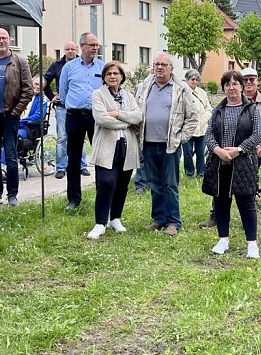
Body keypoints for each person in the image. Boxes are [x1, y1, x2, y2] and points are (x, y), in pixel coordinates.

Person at [199, 66, 261, 228]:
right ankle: (216, 216)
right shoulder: (221, 107)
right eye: (246, 79)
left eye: (252, 80)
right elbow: (210, 132)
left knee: (246, 190)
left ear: (256, 81)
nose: (249, 82)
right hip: (222, 155)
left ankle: (248, 221)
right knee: (220, 188)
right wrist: (217, 150)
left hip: (250, 154)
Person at [203, 70, 261, 258]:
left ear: (241, 86)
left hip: (243, 163)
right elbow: (208, 135)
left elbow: (258, 134)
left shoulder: (252, 109)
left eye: (235, 84)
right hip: (220, 163)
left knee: (246, 203)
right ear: (223, 88)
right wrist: (218, 150)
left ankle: (252, 244)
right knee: (221, 202)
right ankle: (223, 239)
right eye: (227, 84)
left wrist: (239, 149)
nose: (231, 88)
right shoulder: (217, 110)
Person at [135, 53, 197, 236]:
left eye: (164, 64)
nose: (159, 68)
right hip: (148, 143)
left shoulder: (181, 89)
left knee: (170, 184)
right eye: (156, 64)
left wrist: (181, 138)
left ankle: (173, 222)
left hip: (170, 145)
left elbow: (192, 117)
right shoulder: (144, 87)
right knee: (154, 183)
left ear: (171, 68)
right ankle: (159, 219)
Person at [85, 61, 143, 239]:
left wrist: (117, 114)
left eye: (115, 73)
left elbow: (139, 115)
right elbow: (102, 119)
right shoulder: (98, 95)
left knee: (122, 184)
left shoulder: (128, 95)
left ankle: (115, 218)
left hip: (127, 146)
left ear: (121, 76)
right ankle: (100, 223)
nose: (112, 76)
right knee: (106, 183)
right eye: (109, 73)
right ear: (104, 77)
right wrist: (128, 122)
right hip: (106, 146)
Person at [0, 27, 33, 208]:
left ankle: (12, 194)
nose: (1, 41)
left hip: (10, 115)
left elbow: (28, 90)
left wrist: (16, 112)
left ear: (9, 40)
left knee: (10, 156)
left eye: (4, 38)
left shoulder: (19, 62)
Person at [59, 32, 104, 210]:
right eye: (92, 45)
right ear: (82, 46)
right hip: (75, 116)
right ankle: (74, 198)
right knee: (74, 159)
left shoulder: (102, 67)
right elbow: (63, 93)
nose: (95, 48)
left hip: (96, 116)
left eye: (96, 45)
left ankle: (102, 195)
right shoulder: (69, 68)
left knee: (101, 156)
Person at [44, 40, 90, 179]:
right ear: (64, 50)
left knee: (80, 138)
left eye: (72, 49)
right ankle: (61, 167)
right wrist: (52, 96)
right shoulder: (56, 65)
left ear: (77, 49)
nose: (70, 51)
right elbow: (45, 82)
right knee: (62, 138)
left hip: (78, 108)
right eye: (67, 49)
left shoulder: (82, 64)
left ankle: (82, 166)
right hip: (62, 107)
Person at [182, 69, 211, 178]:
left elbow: (209, 109)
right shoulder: (183, 92)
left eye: (196, 79)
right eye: (192, 79)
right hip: (188, 129)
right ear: (187, 80)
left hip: (202, 128)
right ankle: (189, 173)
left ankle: (201, 173)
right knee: (188, 153)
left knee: (200, 153)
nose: (194, 82)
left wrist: (204, 119)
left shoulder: (202, 93)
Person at [18, 76, 47, 140]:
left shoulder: (43, 99)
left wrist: (21, 122)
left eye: (41, 86)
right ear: (30, 83)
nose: (38, 87)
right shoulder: (21, 95)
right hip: (13, 125)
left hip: (28, 128)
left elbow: (38, 116)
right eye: (36, 84)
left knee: (11, 136)